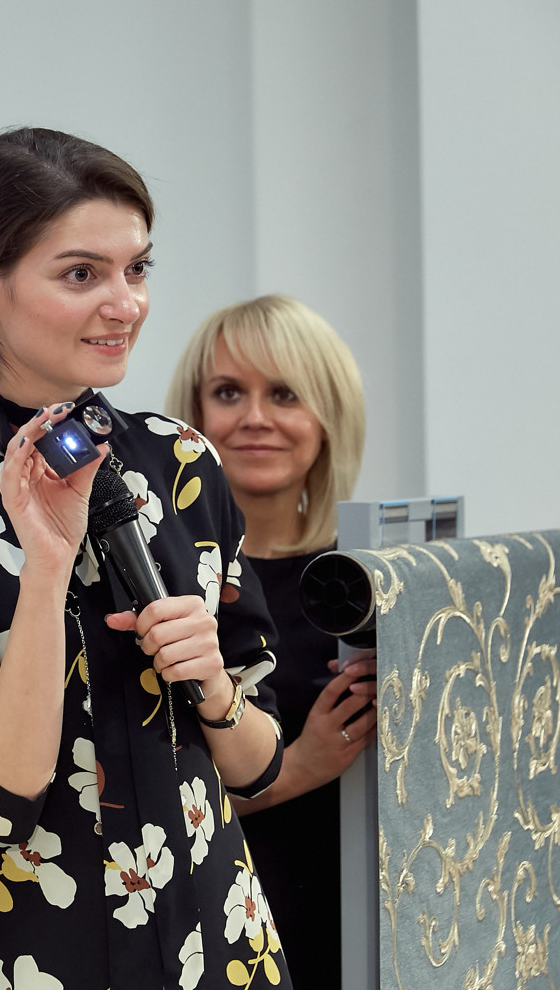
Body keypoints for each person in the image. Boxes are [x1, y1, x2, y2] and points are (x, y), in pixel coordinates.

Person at [0, 128, 291, 990]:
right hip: (28, 952)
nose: (125, 304)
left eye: (137, 269)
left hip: (215, 940)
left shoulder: (184, 462)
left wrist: (216, 686)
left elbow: (259, 765)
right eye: (82, 274)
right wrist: (45, 575)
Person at [164, 294, 373, 989]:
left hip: (367, 927)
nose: (255, 417)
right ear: (194, 416)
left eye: (284, 394)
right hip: (221, 930)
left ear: (327, 415)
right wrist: (303, 765)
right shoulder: (160, 589)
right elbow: (152, 795)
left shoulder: (369, 583)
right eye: (229, 392)